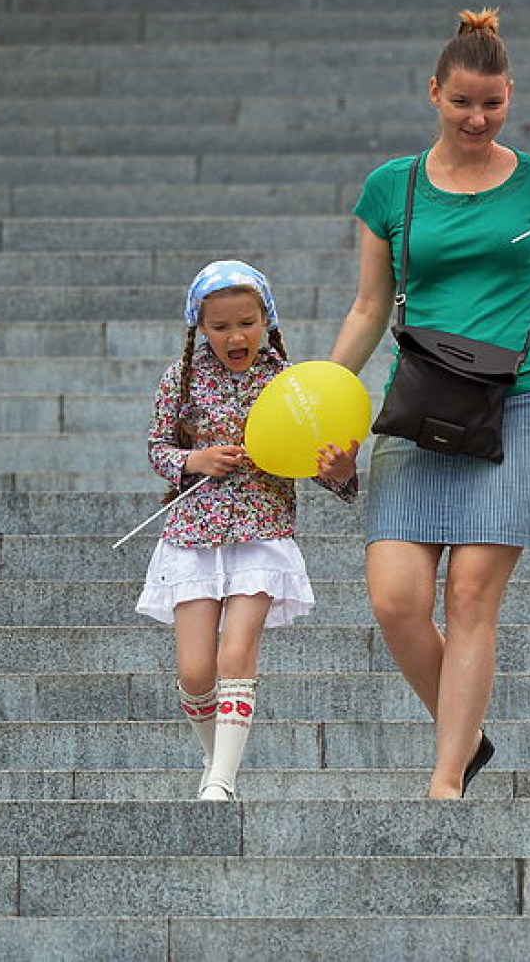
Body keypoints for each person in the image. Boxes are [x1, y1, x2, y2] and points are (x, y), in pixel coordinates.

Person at [328, 8, 530, 799]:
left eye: (494, 104)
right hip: (421, 401)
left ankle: (444, 783)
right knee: (396, 598)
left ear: (512, 98)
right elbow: (369, 308)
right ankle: (465, 740)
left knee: (470, 594)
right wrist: (328, 410)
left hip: (517, 399)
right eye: (463, 101)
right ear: (434, 91)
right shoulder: (390, 186)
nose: (477, 118)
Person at [136, 260, 359, 801]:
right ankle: (217, 761)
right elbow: (158, 450)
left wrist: (341, 474)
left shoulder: (293, 385)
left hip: (262, 531)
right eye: (220, 326)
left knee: (237, 652)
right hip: (193, 534)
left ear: (267, 319)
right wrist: (196, 461)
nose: (235, 336)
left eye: (246, 322)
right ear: (199, 328)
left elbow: (323, 464)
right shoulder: (180, 378)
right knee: (194, 672)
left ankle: (222, 781)